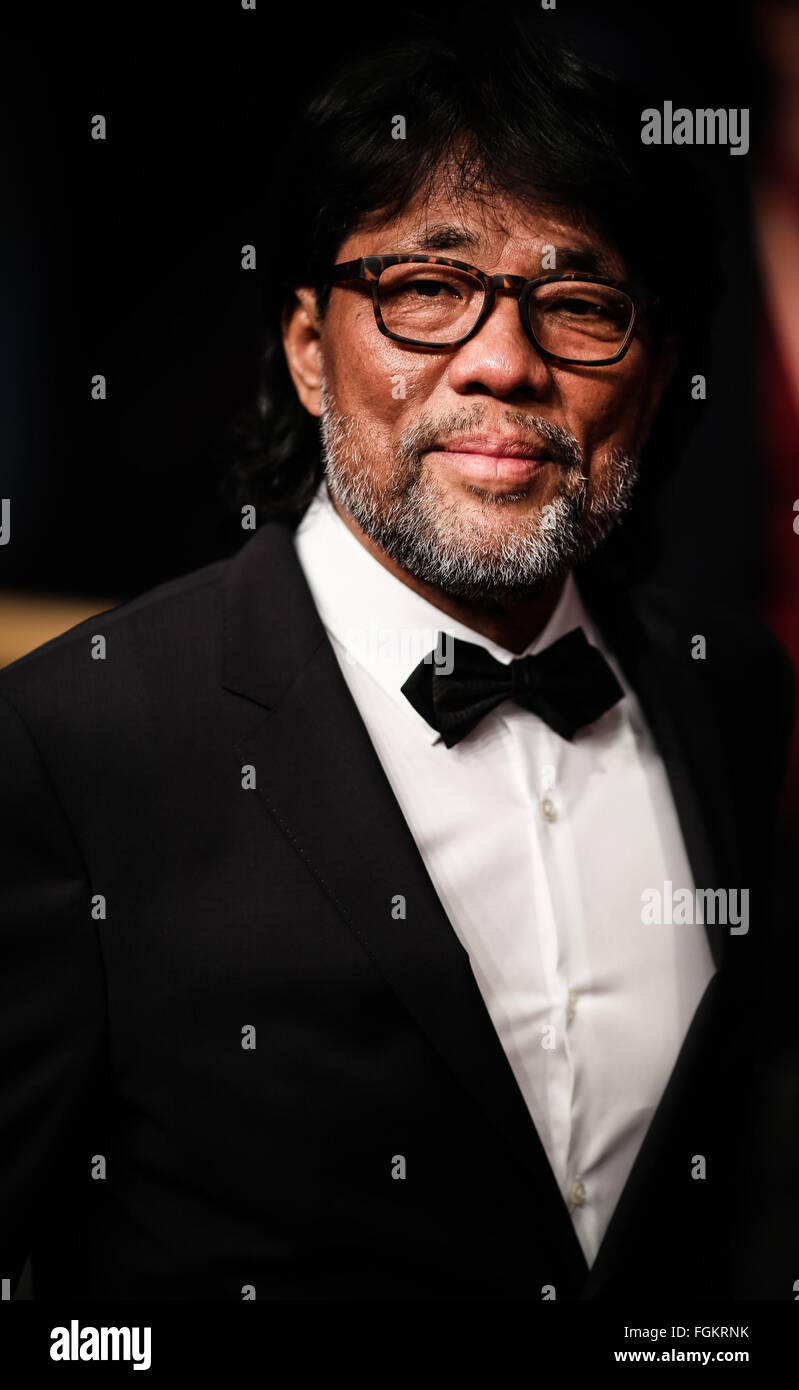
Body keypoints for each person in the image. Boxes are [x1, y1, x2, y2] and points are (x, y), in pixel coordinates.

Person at [1, 22, 795, 1301]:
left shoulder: (731, 691)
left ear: (653, 385)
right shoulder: (67, 740)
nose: (502, 359)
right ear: (311, 349)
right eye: (427, 287)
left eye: (580, 303)